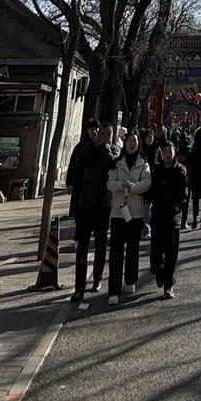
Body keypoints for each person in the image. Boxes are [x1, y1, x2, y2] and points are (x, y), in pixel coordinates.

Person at [71, 121, 114, 308]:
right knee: (82, 246)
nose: (99, 135)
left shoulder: (112, 151)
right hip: (84, 203)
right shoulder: (86, 149)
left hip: (102, 205)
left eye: (104, 134)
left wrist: (103, 147)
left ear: (109, 136)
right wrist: (92, 144)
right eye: (98, 133)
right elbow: (77, 167)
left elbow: (111, 163)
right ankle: (79, 288)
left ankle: (97, 277)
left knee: (100, 243)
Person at [107, 131, 152, 302]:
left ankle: (130, 281)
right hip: (118, 212)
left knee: (133, 249)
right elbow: (109, 183)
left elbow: (147, 183)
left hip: (135, 212)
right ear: (124, 144)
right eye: (129, 141)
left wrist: (133, 187)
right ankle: (113, 290)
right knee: (116, 252)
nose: (132, 144)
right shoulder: (117, 163)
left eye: (134, 141)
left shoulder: (143, 163)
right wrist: (121, 185)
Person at [148, 138, 188, 299]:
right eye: (164, 151)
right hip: (157, 215)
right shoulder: (157, 170)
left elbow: (184, 195)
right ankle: (160, 272)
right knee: (157, 252)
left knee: (171, 253)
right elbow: (151, 191)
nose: (166, 155)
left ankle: (168, 285)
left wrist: (177, 208)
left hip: (172, 217)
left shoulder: (180, 170)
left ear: (174, 152)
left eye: (169, 151)